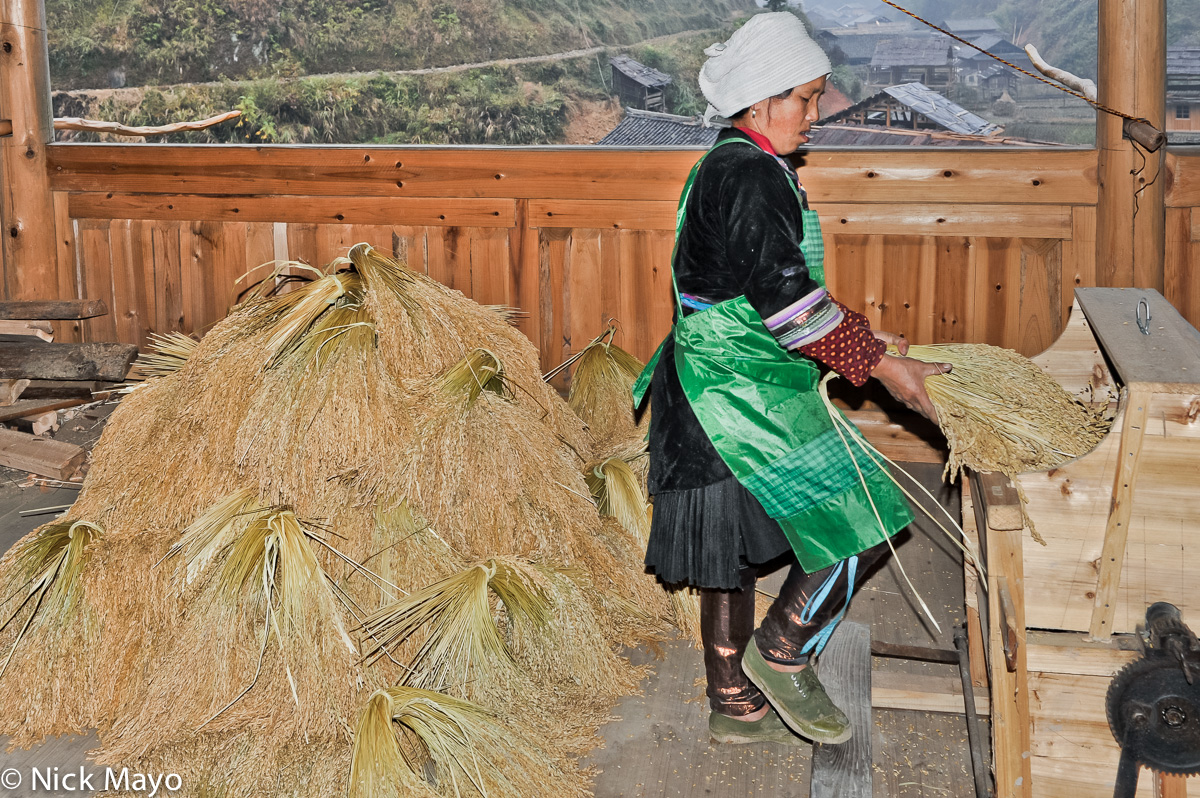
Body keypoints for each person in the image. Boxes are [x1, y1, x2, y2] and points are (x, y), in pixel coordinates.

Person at [632, 13, 950, 746]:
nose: (817, 113)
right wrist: (883, 368)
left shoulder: (735, 160)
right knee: (855, 514)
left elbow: (779, 288)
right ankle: (776, 657)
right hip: (732, 396)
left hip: (734, 376)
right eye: (806, 98)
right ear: (764, 99)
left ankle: (735, 692)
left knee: (732, 551)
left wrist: (864, 339)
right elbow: (785, 300)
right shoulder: (747, 174)